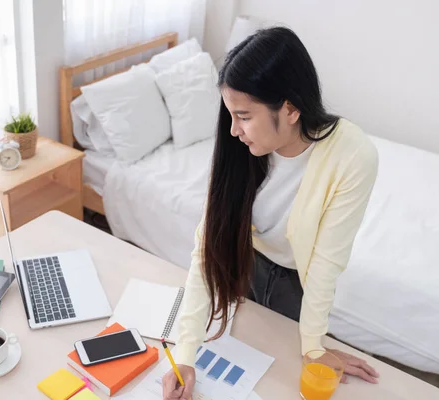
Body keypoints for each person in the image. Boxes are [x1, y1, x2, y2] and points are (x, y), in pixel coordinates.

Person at [162, 27, 380, 400]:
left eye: (244, 117)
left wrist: (314, 345)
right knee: (246, 357)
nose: (233, 131)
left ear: (291, 109)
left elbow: (326, 262)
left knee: (280, 375)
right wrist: (185, 354)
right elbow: (207, 248)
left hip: (298, 277)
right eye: (231, 115)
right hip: (248, 262)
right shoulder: (240, 150)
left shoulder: (353, 155)